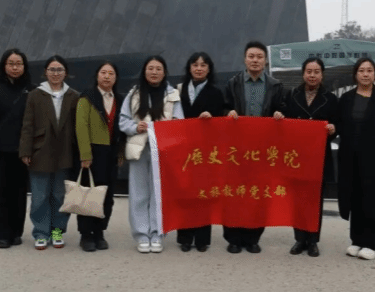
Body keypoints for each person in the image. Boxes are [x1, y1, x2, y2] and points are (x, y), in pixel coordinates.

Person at [223, 40, 285, 254]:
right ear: (245, 59)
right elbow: (223, 107)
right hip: (237, 148)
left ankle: (252, 238)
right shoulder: (233, 83)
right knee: (235, 193)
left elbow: (281, 108)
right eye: (251, 56)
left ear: (266, 61)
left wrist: (280, 114)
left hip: (263, 149)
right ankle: (233, 238)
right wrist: (228, 113)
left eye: (259, 57)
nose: (255, 60)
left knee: (258, 195)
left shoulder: (275, 85)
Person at [119, 55, 184, 253]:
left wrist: (167, 128)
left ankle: (157, 234)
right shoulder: (134, 94)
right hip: (139, 149)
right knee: (139, 193)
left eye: (158, 69)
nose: (154, 72)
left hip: (162, 150)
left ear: (164, 72)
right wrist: (135, 127)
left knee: (159, 194)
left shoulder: (173, 94)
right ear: (144, 71)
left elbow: (179, 122)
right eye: (150, 68)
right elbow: (123, 121)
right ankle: (141, 235)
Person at [336, 57, 375, 260]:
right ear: (355, 74)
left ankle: (373, 244)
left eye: (369, 70)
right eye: (361, 70)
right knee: (355, 197)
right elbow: (339, 125)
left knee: (374, 199)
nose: (365, 74)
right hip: (351, 158)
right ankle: (357, 240)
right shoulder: (346, 98)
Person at [19, 55, 80, 251]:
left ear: (66, 73)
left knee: (60, 196)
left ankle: (57, 232)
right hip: (40, 152)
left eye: (59, 69)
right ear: (45, 72)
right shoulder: (35, 95)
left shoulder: (74, 96)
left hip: (65, 153)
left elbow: (79, 127)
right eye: (52, 69)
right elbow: (27, 125)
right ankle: (41, 233)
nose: (55, 73)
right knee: (40, 197)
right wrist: (25, 150)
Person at [283, 58, 338, 257]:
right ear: (303, 73)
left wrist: (333, 129)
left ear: (322, 74)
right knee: (297, 199)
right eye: (309, 71)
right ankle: (299, 239)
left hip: (319, 157)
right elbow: (284, 124)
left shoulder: (331, 99)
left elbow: (338, 124)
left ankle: (313, 240)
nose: (312, 75)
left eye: (316, 72)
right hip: (296, 157)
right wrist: (280, 118)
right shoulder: (292, 95)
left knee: (315, 200)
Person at [0, 48, 35, 249]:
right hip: (0, 150)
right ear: (4, 66)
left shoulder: (31, 89)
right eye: (11, 63)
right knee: (1, 191)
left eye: (19, 64)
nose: (15, 67)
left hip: (22, 150)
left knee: (19, 192)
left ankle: (16, 232)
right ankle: (2, 234)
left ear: (24, 67)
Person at [176, 52, 225, 252]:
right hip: (183, 149)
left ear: (209, 69)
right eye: (195, 64)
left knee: (204, 193)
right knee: (185, 193)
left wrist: (211, 118)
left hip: (206, 151)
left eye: (203, 65)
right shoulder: (178, 91)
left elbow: (222, 121)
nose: (199, 68)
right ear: (189, 68)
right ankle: (185, 237)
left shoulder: (216, 93)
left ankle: (202, 239)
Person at [75, 61, 125, 252]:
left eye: (111, 73)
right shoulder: (87, 97)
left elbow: (123, 128)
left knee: (107, 195)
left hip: (111, 152)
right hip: (93, 152)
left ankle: (99, 232)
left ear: (116, 78)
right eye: (103, 72)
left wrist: (120, 152)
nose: (107, 76)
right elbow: (81, 127)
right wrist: (85, 154)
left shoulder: (120, 99)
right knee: (89, 194)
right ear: (97, 75)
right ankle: (86, 234)